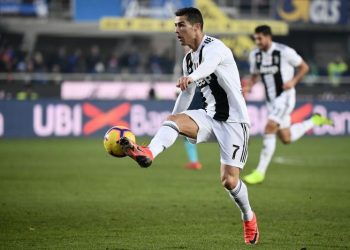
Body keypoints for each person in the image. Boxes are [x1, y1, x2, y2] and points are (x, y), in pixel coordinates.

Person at [118, 7, 259, 245]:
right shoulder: (188, 60)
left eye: (181, 25)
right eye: (175, 25)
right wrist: (171, 123)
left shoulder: (216, 48)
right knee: (172, 121)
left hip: (235, 122)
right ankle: (148, 152)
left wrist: (192, 77)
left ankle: (249, 217)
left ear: (197, 27)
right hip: (210, 116)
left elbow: (209, 66)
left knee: (229, 181)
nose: (177, 30)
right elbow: (185, 95)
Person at [243, 25, 333, 185]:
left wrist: (293, 81)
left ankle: (259, 172)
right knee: (286, 138)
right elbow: (255, 75)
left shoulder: (284, 51)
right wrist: (248, 87)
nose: (257, 41)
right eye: (255, 38)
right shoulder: (255, 55)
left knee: (269, 127)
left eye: (259, 38)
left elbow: (304, 67)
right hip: (270, 99)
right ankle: (315, 121)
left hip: (285, 97)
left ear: (268, 37)